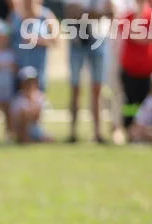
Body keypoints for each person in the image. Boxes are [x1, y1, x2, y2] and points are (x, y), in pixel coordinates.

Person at [65, 0, 112, 143]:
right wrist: (98, 14)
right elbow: (72, 12)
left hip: (98, 41)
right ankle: (73, 133)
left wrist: (86, 13)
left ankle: (98, 133)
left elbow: (111, 12)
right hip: (78, 41)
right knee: (75, 88)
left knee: (98, 89)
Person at [117, 0, 152, 136]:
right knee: (130, 103)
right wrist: (139, 15)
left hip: (147, 70)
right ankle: (129, 129)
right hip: (130, 69)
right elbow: (134, 35)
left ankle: (144, 131)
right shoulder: (127, 17)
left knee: (145, 102)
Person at [10, 0, 56, 93]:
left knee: (38, 97)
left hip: (38, 67)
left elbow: (55, 40)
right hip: (18, 67)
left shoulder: (46, 15)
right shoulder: (14, 15)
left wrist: (36, 41)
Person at [10, 64, 51, 142]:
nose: (29, 85)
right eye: (27, 82)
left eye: (32, 81)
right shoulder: (18, 99)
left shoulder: (40, 96)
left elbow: (39, 116)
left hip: (36, 129)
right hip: (21, 130)